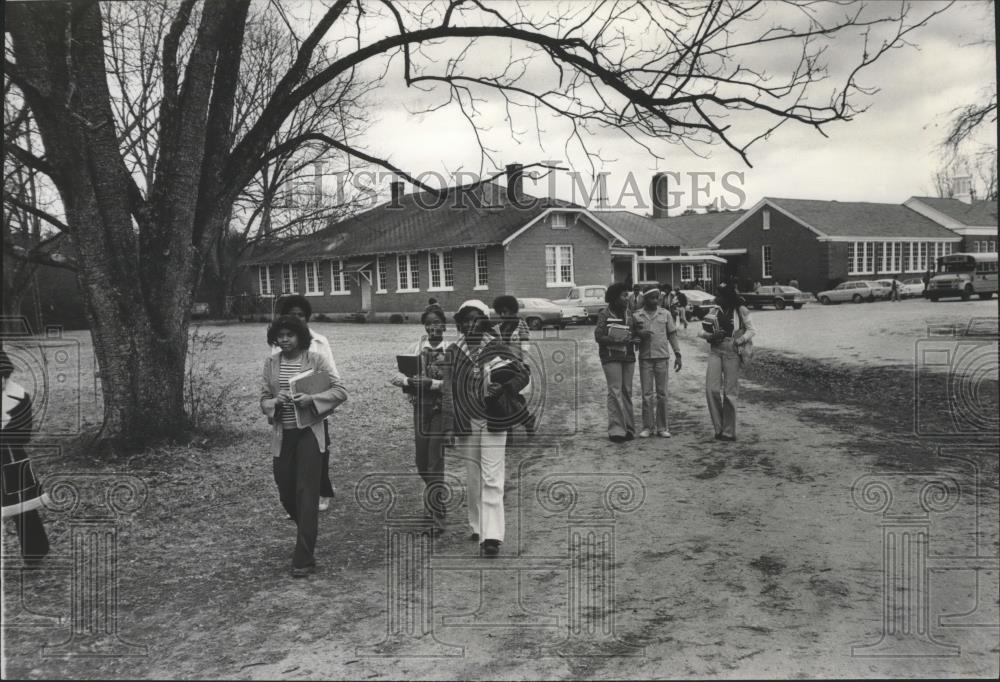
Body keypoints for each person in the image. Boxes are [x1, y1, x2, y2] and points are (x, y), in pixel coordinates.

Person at [260, 315, 348, 577]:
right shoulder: (271, 362)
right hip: (283, 435)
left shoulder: (315, 360)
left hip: (309, 433)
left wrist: (312, 399)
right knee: (286, 490)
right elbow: (264, 398)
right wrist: (275, 402)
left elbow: (340, 391)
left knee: (306, 492)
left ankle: (304, 558)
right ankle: (307, 530)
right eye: (280, 335)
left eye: (290, 335)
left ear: (301, 336)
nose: (285, 340)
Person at [441, 300, 529, 558]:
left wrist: (504, 387)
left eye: (475, 319)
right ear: (460, 324)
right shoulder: (453, 352)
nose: (470, 325)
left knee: (492, 476)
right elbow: (448, 392)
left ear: (484, 321)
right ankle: (478, 524)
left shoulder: (497, 346)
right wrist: (448, 426)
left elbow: (523, 374)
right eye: (465, 320)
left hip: (494, 418)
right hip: (466, 422)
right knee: (473, 477)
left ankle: (492, 537)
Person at [391, 302, 451, 533]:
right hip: (420, 408)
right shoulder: (415, 347)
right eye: (428, 323)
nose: (432, 327)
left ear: (444, 325)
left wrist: (432, 383)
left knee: (435, 462)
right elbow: (397, 375)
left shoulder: (452, 349)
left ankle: (435, 517)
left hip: (441, 409)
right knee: (421, 463)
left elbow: (457, 384)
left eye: (436, 323)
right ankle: (439, 500)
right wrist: (407, 381)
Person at [275, 295, 337, 511]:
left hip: (315, 408)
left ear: (307, 317)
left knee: (320, 452)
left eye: (300, 315)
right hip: (289, 413)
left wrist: (317, 397)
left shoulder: (320, 342)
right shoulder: (279, 344)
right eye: (291, 315)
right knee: (290, 458)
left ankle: (323, 491)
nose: (296, 319)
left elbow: (332, 377)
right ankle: (297, 500)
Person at [1, 348, 50, 565]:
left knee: (23, 508)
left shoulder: (20, 397)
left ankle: (34, 553)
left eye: (2, 377)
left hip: (12, 457)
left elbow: (24, 435)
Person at [698, 282, 756, 441]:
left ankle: (728, 432)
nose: (716, 298)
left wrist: (740, 340)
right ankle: (718, 428)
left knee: (730, 392)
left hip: (732, 351)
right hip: (715, 351)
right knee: (711, 389)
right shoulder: (714, 311)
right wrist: (710, 336)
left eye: (720, 295)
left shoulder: (741, 310)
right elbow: (701, 330)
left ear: (728, 297)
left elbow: (752, 330)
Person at [632, 287, 683, 438]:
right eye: (652, 298)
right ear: (645, 299)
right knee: (646, 394)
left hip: (662, 358)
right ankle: (648, 426)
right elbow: (633, 335)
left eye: (657, 298)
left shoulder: (665, 314)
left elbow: (672, 335)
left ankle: (662, 427)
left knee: (662, 394)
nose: (655, 301)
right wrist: (637, 337)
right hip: (645, 358)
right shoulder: (637, 316)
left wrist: (678, 354)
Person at [595, 282, 637, 443]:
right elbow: (598, 336)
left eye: (628, 295)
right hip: (610, 356)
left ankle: (629, 428)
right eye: (624, 295)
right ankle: (616, 430)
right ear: (614, 297)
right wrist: (614, 338)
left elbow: (634, 331)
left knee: (627, 391)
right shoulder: (604, 314)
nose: (627, 298)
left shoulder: (629, 313)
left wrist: (635, 336)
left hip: (628, 356)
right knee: (615, 391)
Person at [492, 295, 536, 436]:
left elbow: (525, 346)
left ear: (513, 310)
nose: (503, 315)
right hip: (501, 366)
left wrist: (525, 363)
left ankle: (515, 425)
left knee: (508, 392)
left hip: (517, 367)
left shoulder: (521, 324)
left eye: (506, 311)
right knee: (507, 395)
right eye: (501, 312)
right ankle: (525, 420)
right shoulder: (498, 328)